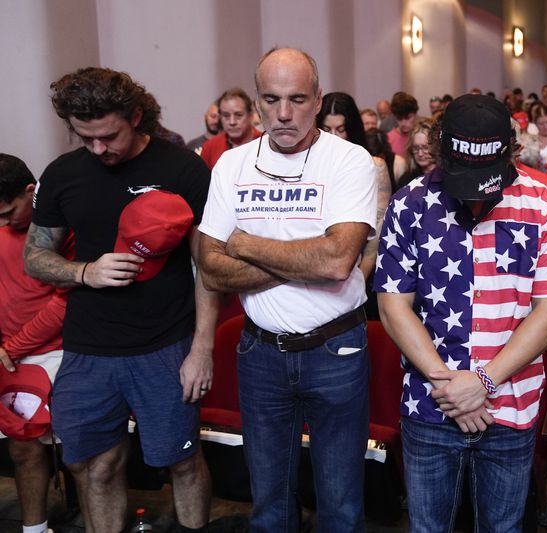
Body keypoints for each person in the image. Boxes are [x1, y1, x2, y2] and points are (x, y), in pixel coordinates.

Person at [23, 67, 216, 533]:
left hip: (165, 344)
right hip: (89, 348)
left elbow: (209, 266)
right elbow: (35, 256)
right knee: (96, 465)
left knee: (182, 463)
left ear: (135, 115)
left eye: (108, 136)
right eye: (85, 138)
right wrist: (84, 271)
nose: (98, 149)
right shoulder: (63, 174)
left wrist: (202, 348)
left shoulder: (182, 168)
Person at [374, 94, 547, 532]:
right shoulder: (410, 203)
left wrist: (483, 381)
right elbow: (393, 308)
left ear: (512, 152)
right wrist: (454, 388)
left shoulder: (542, 201)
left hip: (512, 405)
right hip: (432, 404)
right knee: (428, 527)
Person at [197, 47, 376, 532]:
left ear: (318, 100)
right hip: (261, 352)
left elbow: (339, 261)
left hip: (336, 348)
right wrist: (306, 256)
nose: (283, 113)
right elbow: (211, 269)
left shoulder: (348, 159)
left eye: (297, 98)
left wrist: (246, 243)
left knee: (340, 504)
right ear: (256, 102)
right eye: (271, 99)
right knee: (269, 503)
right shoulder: (232, 166)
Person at [0, 154, 73, 533]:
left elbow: (64, 301)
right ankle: (34, 530)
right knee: (23, 448)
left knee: (81, 452)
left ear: (32, 192)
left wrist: (13, 347)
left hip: (61, 350)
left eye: (9, 211)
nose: (3, 221)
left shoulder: (59, 225)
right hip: (12, 355)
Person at [316, 91, 391, 319]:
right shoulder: (311, 167)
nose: (334, 136)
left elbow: (375, 238)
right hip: (314, 274)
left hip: (356, 278)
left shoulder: (373, 166)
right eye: (327, 129)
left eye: (340, 129)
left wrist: (355, 283)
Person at [200, 88, 261, 168]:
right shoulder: (210, 148)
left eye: (238, 115)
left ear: (250, 116)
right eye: (226, 115)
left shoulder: (266, 143)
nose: (232, 122)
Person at [395, 119, 436, 189]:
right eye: (416, 148)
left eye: (425, 147)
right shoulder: (406, 180)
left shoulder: (447, 176)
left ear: (436, 146)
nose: (420, 154)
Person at [387, 91, 419, 156]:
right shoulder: (388, 139)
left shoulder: (423, 136)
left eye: (407, 118)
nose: (403, 123)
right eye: (399, 118)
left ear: (415, 114)